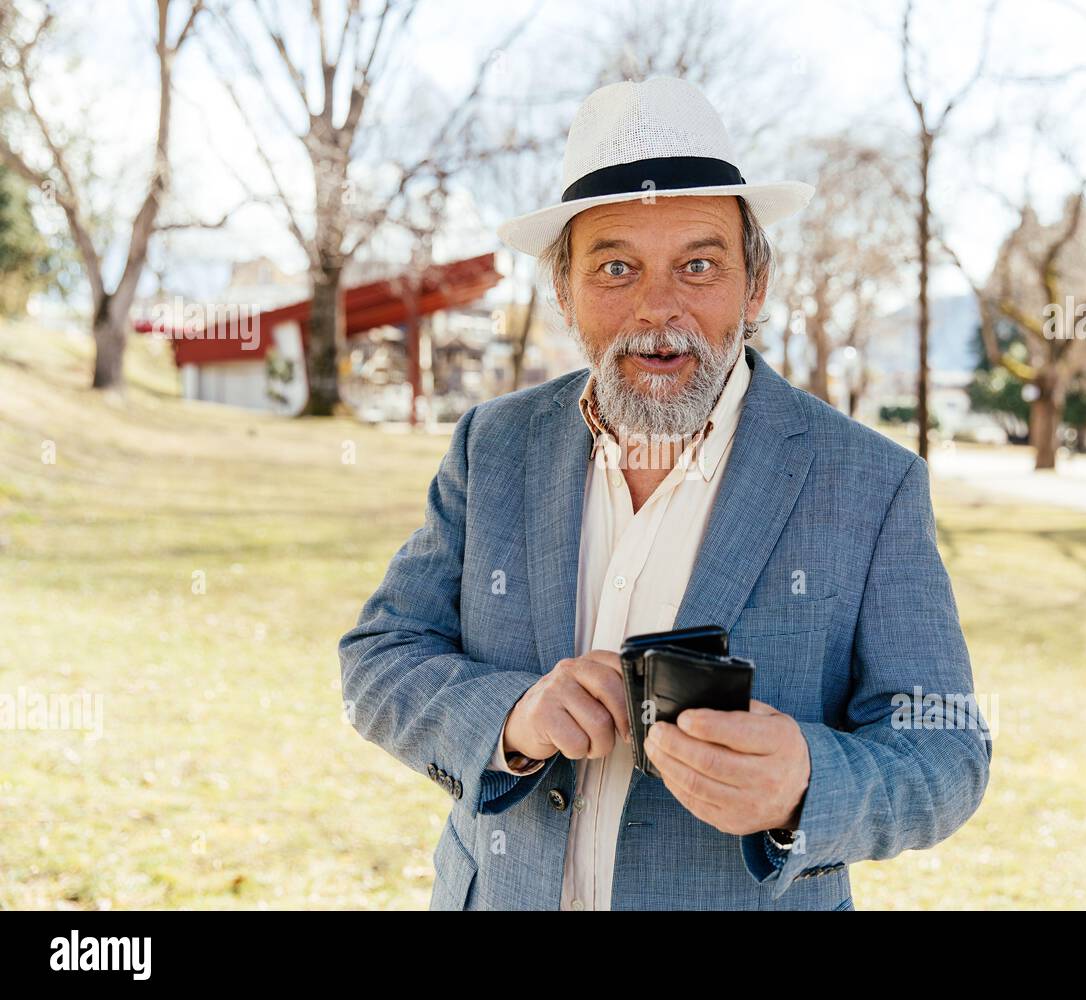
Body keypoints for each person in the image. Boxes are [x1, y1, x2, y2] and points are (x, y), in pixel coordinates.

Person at [339, 76, 992, 911]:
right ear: (565, 293)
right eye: (616, 267)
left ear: (754, 288)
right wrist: (514, 716)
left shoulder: (872, 481)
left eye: (699, 264)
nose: (659, 306)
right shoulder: (492, 446)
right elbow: (378, 659)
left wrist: (807, 782)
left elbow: (947, 754)